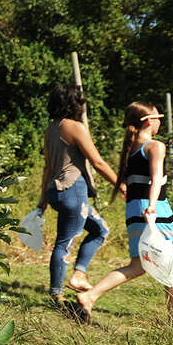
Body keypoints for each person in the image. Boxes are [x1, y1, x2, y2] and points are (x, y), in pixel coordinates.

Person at [76, 101, 173, 326]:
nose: (160, 122)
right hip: (154, 208)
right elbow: (156, 179)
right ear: (148, 121)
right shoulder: (155, 147)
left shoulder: (132, 148)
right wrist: (154, 206)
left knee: (138, 265)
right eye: (159, 117)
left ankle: (90, 296)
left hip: (135, 209)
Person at [37, 84, 122, 303]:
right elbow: (98, 161)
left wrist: (43, 200)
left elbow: (47, 167)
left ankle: (79, 274)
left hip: (57, 192)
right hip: (73, 191)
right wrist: (120, 185)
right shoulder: (75, 127)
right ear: (74, 104)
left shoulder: (51, 129)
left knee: (100, 229)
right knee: (64, 243)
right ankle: (56, 294)